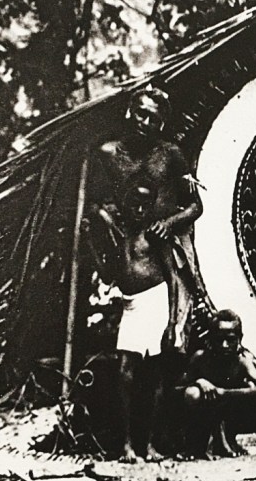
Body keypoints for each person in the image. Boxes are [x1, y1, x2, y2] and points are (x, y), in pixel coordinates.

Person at [85, 87, 203, 462]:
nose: (145, 122)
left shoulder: (171, 156)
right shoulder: (108, 154)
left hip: (157, 260)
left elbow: (196, 205)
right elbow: (92, 205)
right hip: (122, 265)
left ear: (162, 123)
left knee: (156, 366)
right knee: (123, 367)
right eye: (140, 113)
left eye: (153, 118)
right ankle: (123, 443)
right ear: (129, 113)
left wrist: (170, 223)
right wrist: (106, 221)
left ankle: (149, 442)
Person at [176, 309, 256, 459]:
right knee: (192, 394)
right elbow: (176, 389)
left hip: (227, 413)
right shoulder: (201, 358)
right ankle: (194, 445)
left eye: (230, 339)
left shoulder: (241, 362)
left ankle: (228, 440)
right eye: (219, 339)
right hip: (203, 415)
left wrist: (225, 393)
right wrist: (199, 382)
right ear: (210, 338)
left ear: (240, 338)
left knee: (251, 390)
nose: (224, 345)